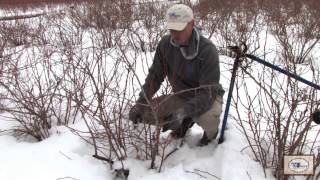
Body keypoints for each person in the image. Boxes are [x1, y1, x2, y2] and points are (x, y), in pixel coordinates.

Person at [129, 4, 224, 146]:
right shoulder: (165, 45)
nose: (175, 34)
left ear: (192, 24)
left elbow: (208, 93)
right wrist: (141, 101)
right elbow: (155, 76)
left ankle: (208, 140)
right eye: (172, 29)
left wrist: (183, 112)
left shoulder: (207, 50)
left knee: (210, 119)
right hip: (181, 96)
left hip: (207, 98)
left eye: (179, 29)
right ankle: (185, 123)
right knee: (143, 114)